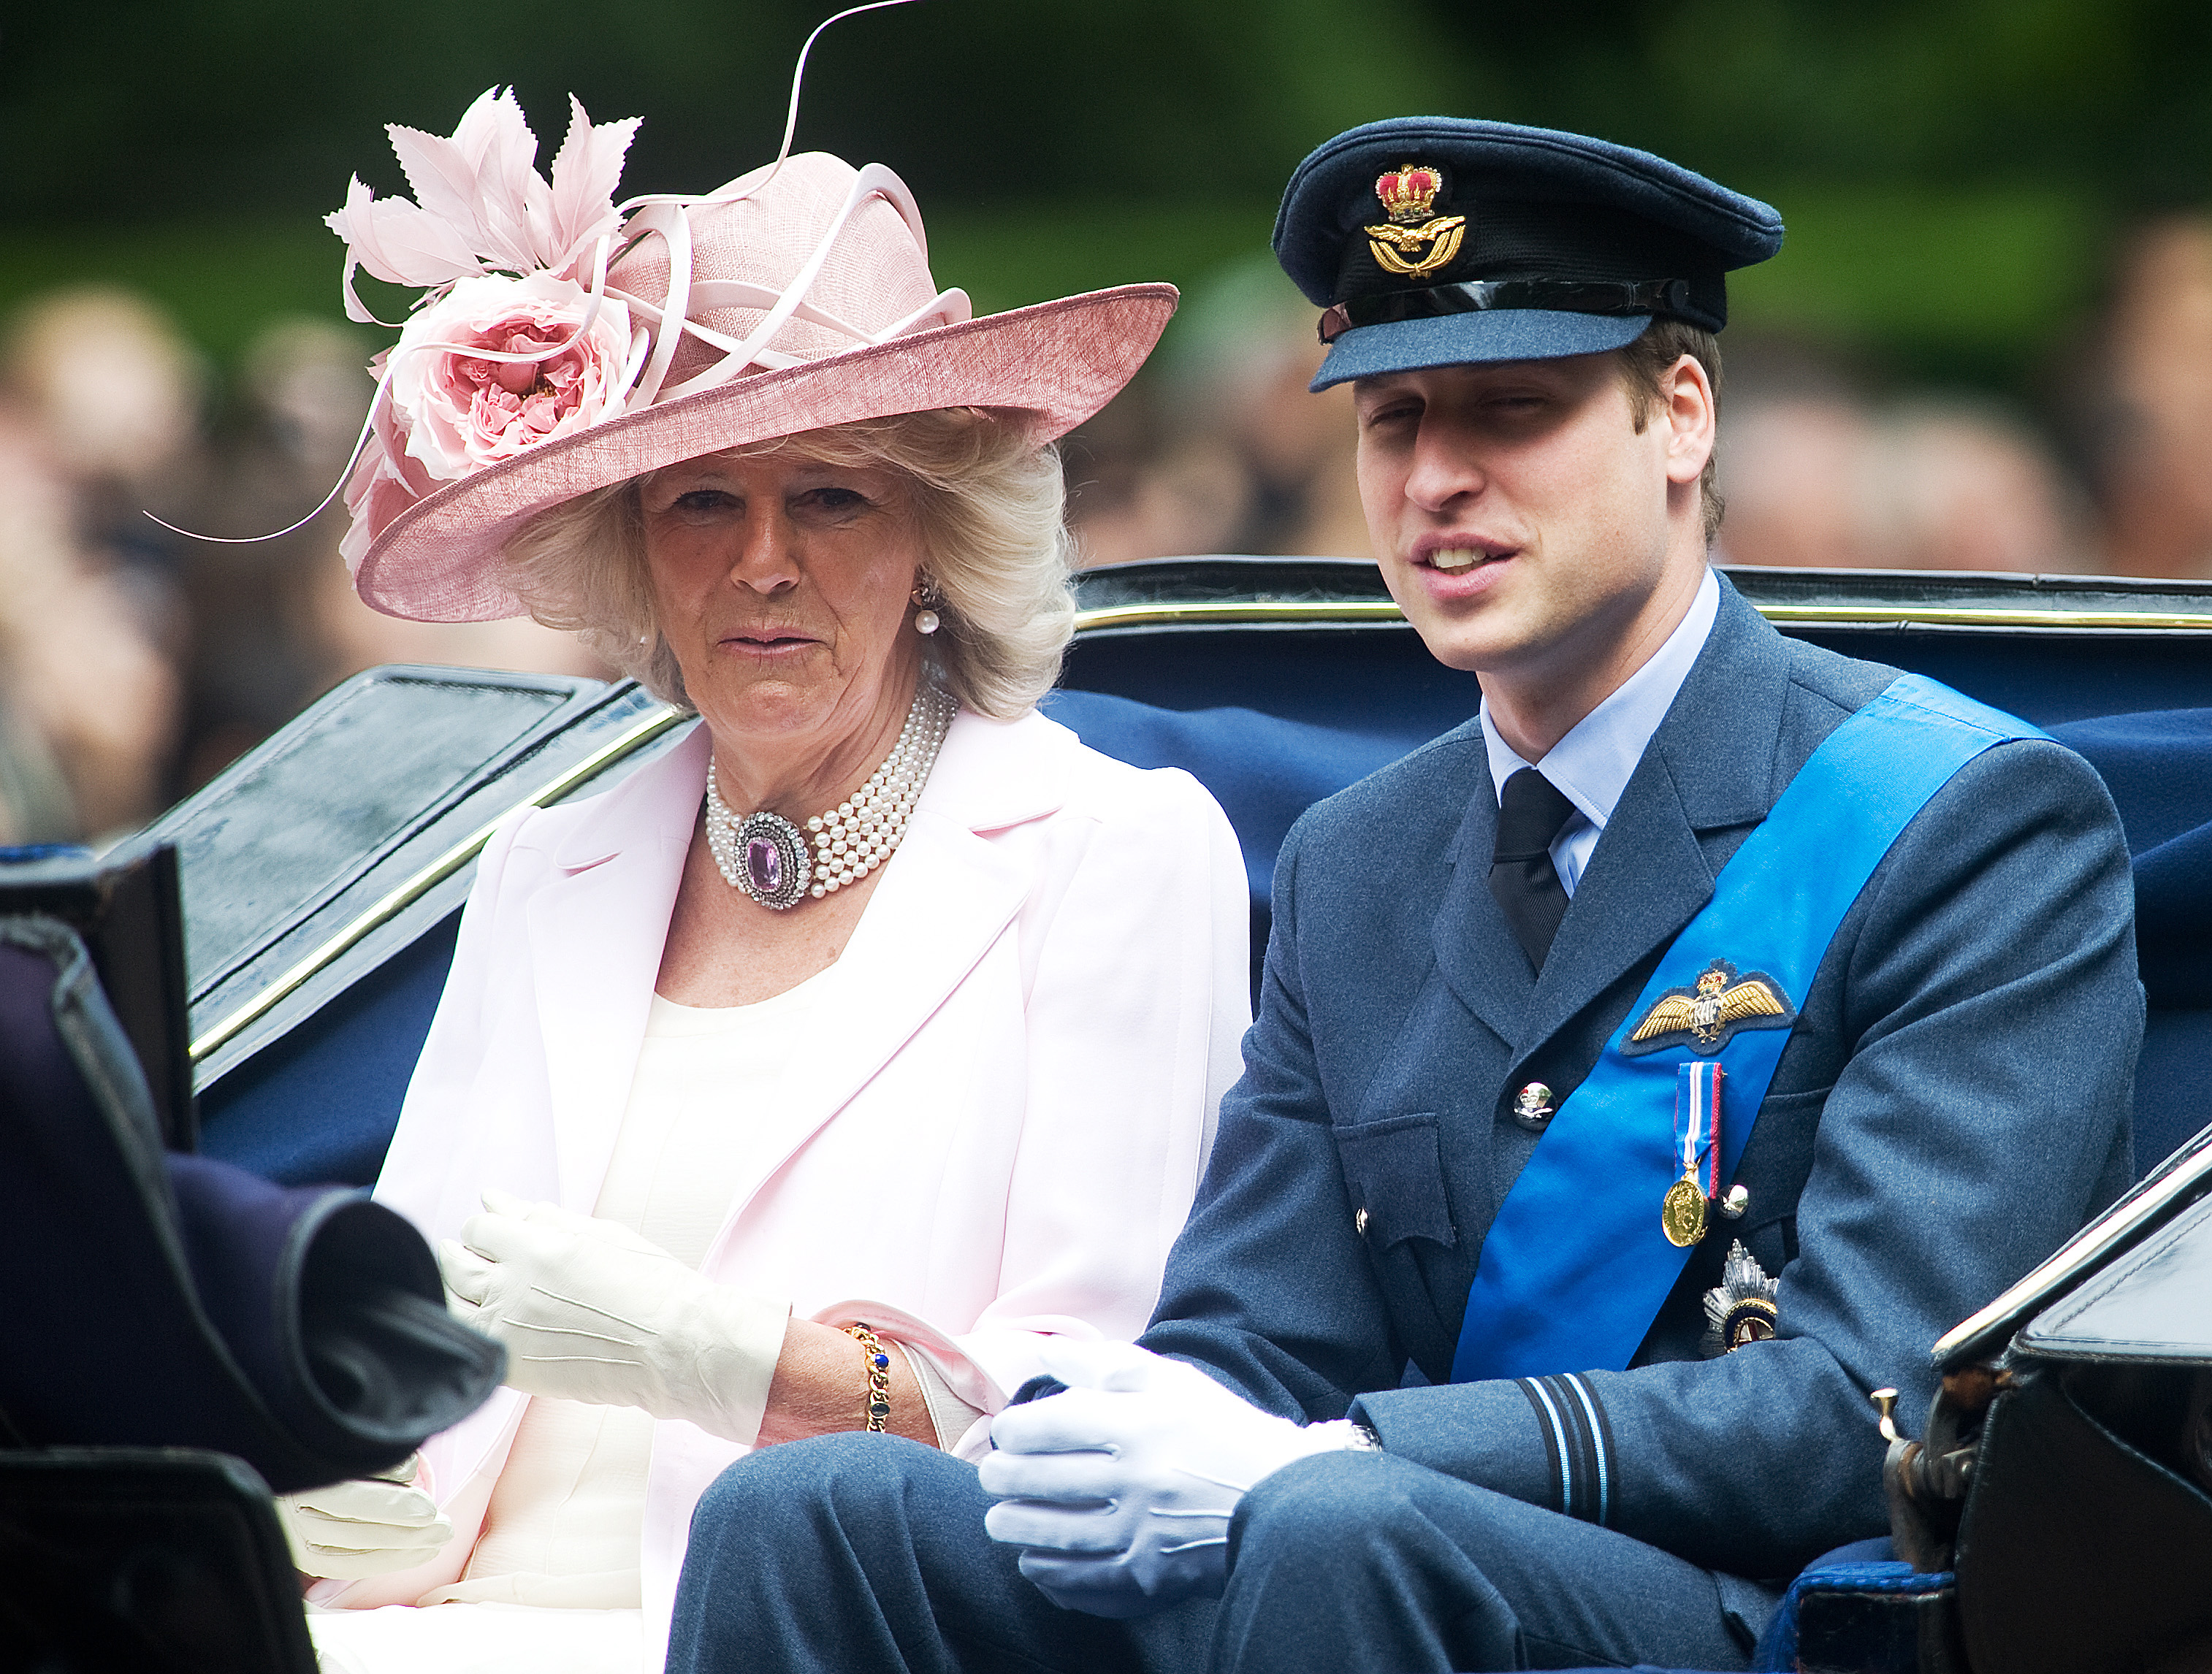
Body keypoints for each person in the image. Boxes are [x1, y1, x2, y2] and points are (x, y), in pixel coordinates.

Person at [667, 119, 2143, 1673]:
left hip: (1742, 1612)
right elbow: (1249, 1347)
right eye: (1391, 420)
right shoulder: (1353, 855)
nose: (1436, 480)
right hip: (1348, 1564)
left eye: (1510, 411)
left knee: (1332, 1531)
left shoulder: (1962, 824)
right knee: (810, 1511)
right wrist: (1075, 1426)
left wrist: (1351, 1459)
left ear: (1681, 417)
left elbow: (1868, 1416)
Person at [278, 89, 1249, 1674]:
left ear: (937, 535)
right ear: (631, 548)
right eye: (702, 499)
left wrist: (708, 1356)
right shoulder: (547, 865)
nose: (761, 564)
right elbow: (399, 1343)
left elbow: (1084, 1433)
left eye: (833, 496)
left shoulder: (1112, 857)